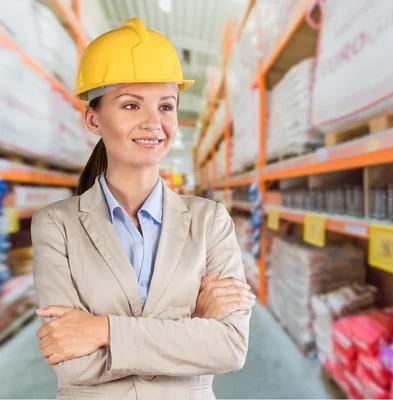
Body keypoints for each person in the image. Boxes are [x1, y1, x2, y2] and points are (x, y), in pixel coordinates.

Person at [30, 18, 253, 400]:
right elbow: (71, 361)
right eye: (131, 104)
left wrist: (103, 331)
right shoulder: (56, 225)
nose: (154, 123)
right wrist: (195, 324)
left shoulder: (210, 221)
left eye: (166, 106)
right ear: (93, 119)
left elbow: (229, 346)